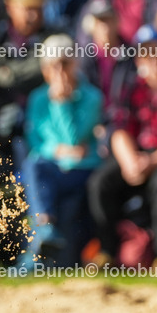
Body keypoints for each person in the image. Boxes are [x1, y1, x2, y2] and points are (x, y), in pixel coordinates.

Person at [87, 31, 157, 265]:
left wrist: (154, 161)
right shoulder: (130, 89)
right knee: (99, 183)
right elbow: (118, 129)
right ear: (139, 60)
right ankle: (107, 250)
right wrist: (130, 161)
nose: (154, 60)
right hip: (136, 156)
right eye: (147, 55)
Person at [20, 34, 102, 269]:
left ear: (75, 64)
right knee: (33, 166)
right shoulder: (37, 98)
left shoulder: (92, 97)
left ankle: (32, 257)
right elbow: (35, 141)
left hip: (82, 170)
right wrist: (61, 151)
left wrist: (62, 103)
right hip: (54, 166)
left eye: (64, 63)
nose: (59, 71)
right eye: (52, 65)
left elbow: (73, 136)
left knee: (39, 177)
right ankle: (44, 229)